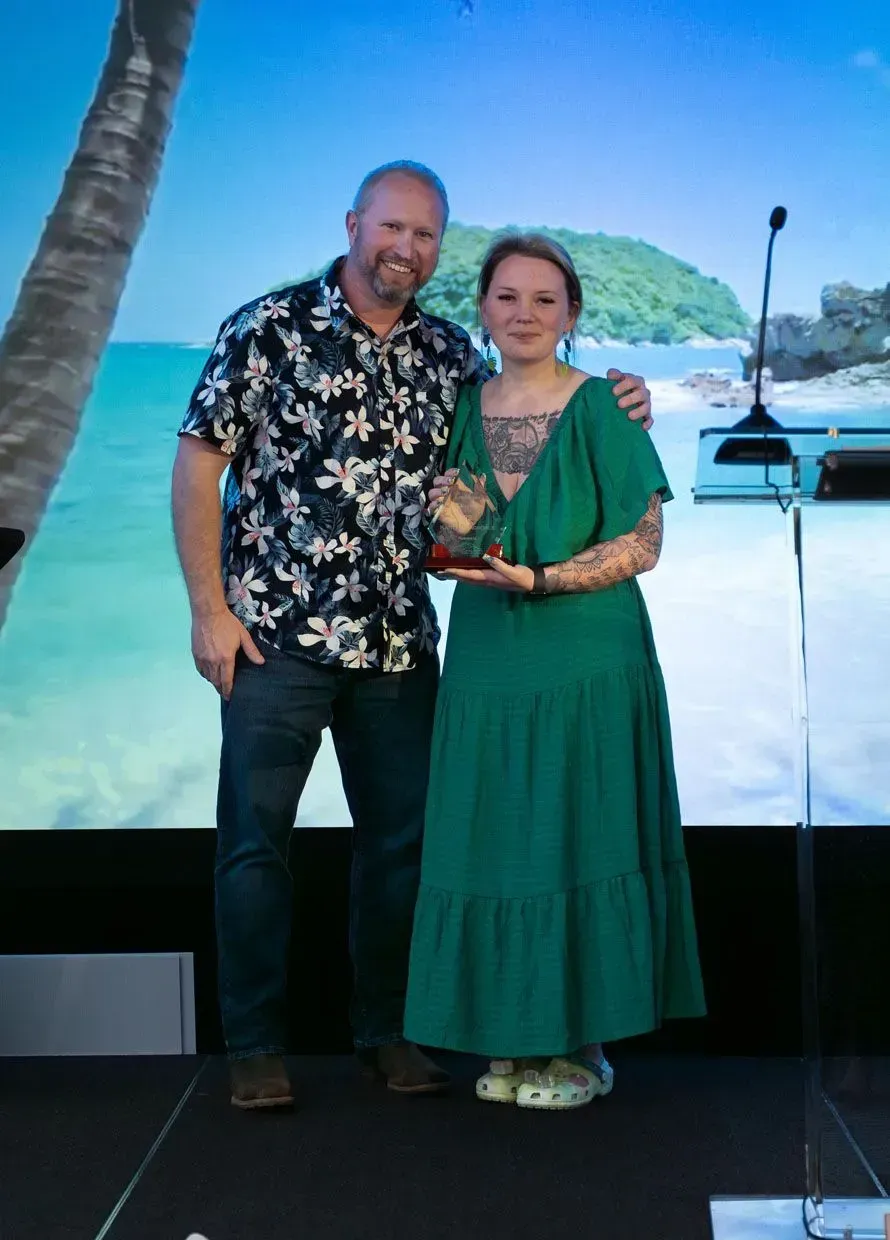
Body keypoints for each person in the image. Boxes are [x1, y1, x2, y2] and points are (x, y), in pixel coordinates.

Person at [171, 161, 654, 1111]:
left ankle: (384, 1034)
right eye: (392, 227)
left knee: (401, 850)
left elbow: (529, 415)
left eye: (426, 235)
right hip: (275, 637)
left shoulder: (447, 355)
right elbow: (198, 468)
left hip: (400, 645)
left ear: (440, 249)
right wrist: (207, 608)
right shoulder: (266, 326)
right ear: (353, 223)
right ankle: (256, 1046)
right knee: (253, 845)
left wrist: (623, 400)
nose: (406, 247)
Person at [403, 231, 706, 1110]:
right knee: (500, 835)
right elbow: (462, 518)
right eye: (507, 297)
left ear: (571, 314)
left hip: (589, 655)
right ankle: (515, 1040)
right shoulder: (467, 402)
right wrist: (447, 545)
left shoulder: (608, 407)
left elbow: (643, 544)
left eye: (544, 299)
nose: (524, 314)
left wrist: (540, 577)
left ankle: (583, 1049)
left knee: (580, 831)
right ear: (484, 309)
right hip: (489, 654)